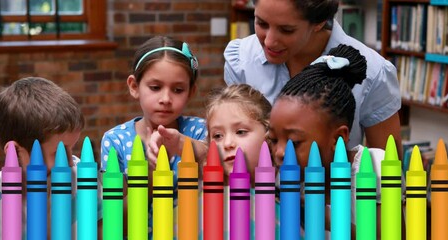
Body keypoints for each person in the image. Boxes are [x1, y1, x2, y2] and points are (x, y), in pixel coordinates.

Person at [224, 0, 402, 157]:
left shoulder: (373, 72)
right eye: (261, 23)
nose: (269, 41)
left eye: (286, 30)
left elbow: (389, 168)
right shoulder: (241, 60)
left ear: (320, 22)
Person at [267, 44, 397, 239]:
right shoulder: (283, 178)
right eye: (273, 139)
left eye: (294, 141)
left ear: (338, 138)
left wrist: (330, 220)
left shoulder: (374, 168)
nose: (279, 152)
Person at [100, 36, 208, 238]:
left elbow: (218, 166)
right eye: (155, 87)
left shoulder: (199, 130)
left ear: (191, 91)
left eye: (178, 89)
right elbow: (115, 223)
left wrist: (181, 145)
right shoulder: (115, 140)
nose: (166, 99)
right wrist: (147, 177)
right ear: (134, 86)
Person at [0, 76, 102, 239]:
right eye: (58, 152)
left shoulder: (82, 180)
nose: (69, 161)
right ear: (16, 153)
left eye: (72, 147)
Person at [205, 83, 275, 239]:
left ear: (269, 136)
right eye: (217, 136)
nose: (228, 143)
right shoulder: (202, 208)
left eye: (240, 132)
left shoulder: (293, 201)